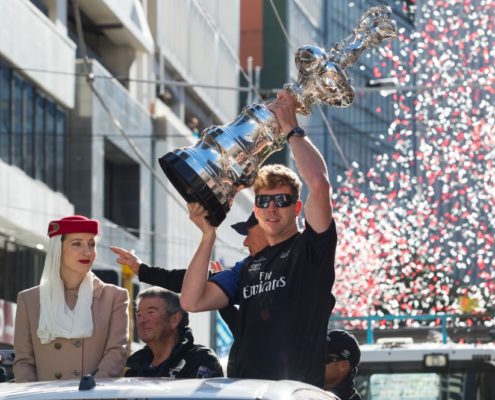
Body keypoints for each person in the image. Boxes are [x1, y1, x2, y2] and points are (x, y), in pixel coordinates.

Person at [181, 89, 337, 388]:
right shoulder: (247, 267)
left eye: (281, 200)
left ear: (297, 207)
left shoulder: (311, 248)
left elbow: (318, 183)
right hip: (245, 392)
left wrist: (291, 127)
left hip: (295, 393)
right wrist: (207, 235)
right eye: (264, 202)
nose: (272, 209)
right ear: (255, 209)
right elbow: (191, 301)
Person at [14, 215, 129, 382]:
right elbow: (24, 362)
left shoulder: (115, 297)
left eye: (92, 244)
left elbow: (116, 353)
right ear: (57, 249)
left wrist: (89, 393)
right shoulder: (28, 300)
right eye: (77, 244)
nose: (87, 252)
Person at [110, 212, 268, 334]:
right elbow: (188, 281)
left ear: (267, 227)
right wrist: (142, 269)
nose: (245, 242)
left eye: (248, 233)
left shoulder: (292, 262)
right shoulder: (244, 270)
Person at [125, 286, 223, 378]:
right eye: (139, 314)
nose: (142, 320)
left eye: (151, 312)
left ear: (175, 319)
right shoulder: (134, 366)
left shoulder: (201, 359)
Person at [324, 330, 362, 400]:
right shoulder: (303, 390)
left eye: (324, 358)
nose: (316, 362)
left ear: (344, 365)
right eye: (316, 356)